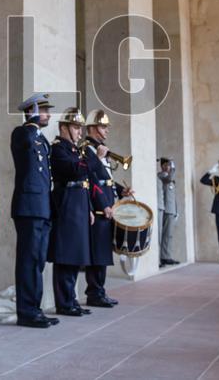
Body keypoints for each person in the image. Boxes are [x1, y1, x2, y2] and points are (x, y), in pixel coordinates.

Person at [10, 93, 59, 328]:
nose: (49, 114)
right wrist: (31, 121)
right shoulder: (23, 133)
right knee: (28, 260)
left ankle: (34, 308)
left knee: (38, 261)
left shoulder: (42, 140)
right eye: (45, 109)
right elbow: (26, 142)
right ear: (33, 111)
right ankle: (27, 312)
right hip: (28, 207)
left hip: (42, 207)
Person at [48, 107, 93, 317]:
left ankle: (71, 299)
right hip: (67, 204)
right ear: (63, 127)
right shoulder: (58, 149)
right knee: (66, 255)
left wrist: (90, 208)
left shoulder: (74, 150)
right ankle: (64, 302)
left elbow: (84, 180)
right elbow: (75, 170)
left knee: (76, 255)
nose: (79, 132)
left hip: (80, 204)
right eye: (75, 127)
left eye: (79, 128)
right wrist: (92, 158)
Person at [82, 109, 130, 307]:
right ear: (92, 128)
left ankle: (100, 291)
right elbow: (91, 179)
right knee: (97, 254)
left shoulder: (101, 149)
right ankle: (94, 293)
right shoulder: (87, 149)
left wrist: (122, 190)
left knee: (103, 253)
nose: (106, 130)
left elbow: (106, 179)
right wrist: (102, 205)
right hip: (98, 207)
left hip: (108, 206)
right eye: (103, 126)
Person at [157, 158, 179, 267]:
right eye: (165, 165)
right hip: (165, 209)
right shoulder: (162, 175)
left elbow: (173, 197)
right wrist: (173, 168)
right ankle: (161, 258)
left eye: (169, 165)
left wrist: (176, 211)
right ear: (161, 166)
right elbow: (169, 178)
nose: (167, 167)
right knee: (163, 234)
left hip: (171, 210)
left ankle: (166, 256)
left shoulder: (170, 178)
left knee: (169, 235)